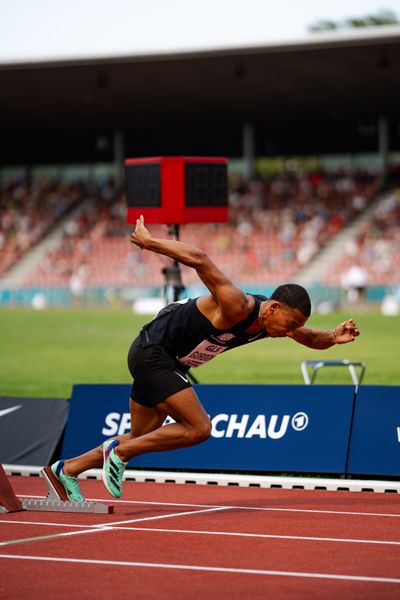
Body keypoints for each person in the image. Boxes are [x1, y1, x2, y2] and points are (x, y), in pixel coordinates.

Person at [50, 215, 360, 502]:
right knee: (200, 428)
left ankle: (67, 470)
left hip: (168, 361)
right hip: (154, 352)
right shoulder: (238, 305)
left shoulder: (271, 326)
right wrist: (149, 242)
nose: (290, 331)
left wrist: (333, 337)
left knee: (140, 435)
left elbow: (308, 337)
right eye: (290, 324)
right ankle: (119, 454)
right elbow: (201, 259)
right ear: (275, 307)